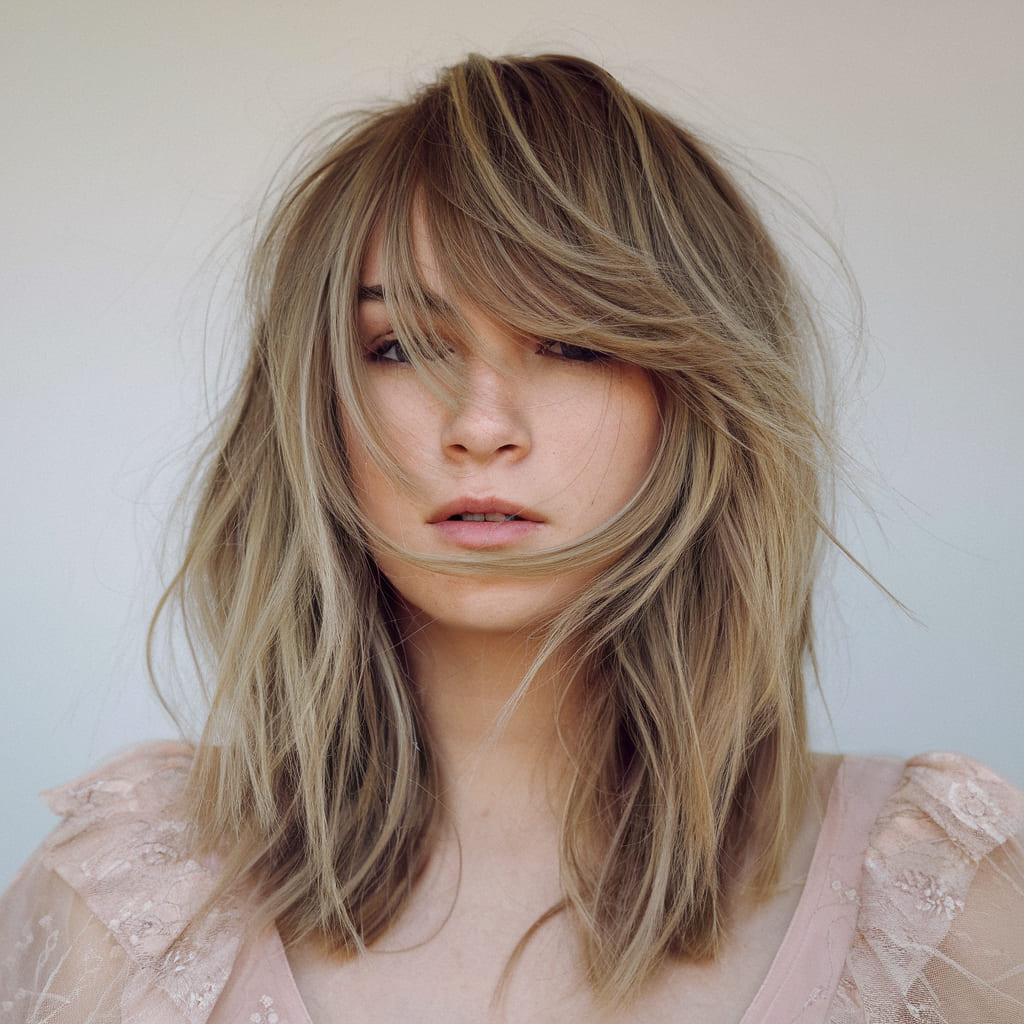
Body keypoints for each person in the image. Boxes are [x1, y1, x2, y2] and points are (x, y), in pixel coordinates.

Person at [2, 52, 1022, 1023]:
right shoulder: (125, 905)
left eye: (570, 342)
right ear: (318, 410)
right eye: (400, 345)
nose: (481, 423)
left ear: (697, 400)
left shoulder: (937, 906)